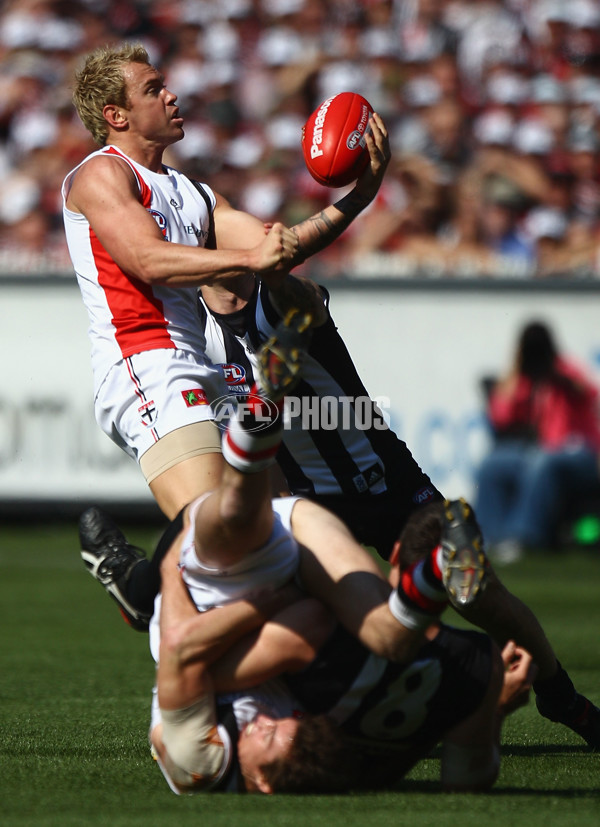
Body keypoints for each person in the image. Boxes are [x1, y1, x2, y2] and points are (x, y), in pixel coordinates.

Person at [61, 42, 391, 520]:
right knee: (220, 534)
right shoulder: (101, 173)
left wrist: (361, 196)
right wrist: (252, 256)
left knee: (280, 529)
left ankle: (147, 587)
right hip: (144, 365)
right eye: (154, 90)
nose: (172, 96)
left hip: (197, 366)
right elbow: (146, 260)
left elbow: (277, 245)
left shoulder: (191, 192)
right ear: (116, 115)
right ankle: (136, 583)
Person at [475, 320, 600, 559]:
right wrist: (515, 374)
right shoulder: (523, 377)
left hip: (579, 451)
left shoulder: (564, 369)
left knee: (542, 461)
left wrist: (557, 377)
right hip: (541, 451)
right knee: (493, 464)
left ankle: (521, 537)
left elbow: (588, 393)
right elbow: (501, 416)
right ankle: (489, 537)